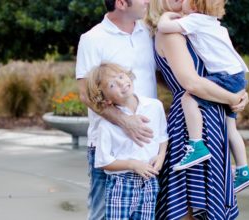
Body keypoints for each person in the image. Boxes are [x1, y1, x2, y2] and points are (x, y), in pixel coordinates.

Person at [145, 0, 249, 219]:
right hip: (192, 124)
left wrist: (240, 92)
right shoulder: (171, 34)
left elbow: (221, 69)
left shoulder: (191, 28)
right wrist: (232, 97)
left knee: (204, 200)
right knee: (191, 201)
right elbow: (190, 82)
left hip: (209, 116)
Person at [75, 0, 156, 219]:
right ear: (121, 3)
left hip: (147, 144)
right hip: (111, 147)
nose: (148, 1)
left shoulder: (148, 32)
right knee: (103, 214)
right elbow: (86, 93)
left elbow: (161, 76)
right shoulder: (92, 39)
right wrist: (126, 122)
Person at [85, 63, 168, 219]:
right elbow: (103, 162)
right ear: (106, 99)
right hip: (121, 185)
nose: (121, 83)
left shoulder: (155, 106)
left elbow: (162, 136)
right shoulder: (107, 125)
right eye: (112, 85)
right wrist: (132, 164)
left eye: (121, 76)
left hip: (148, 182)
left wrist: (161, 156)